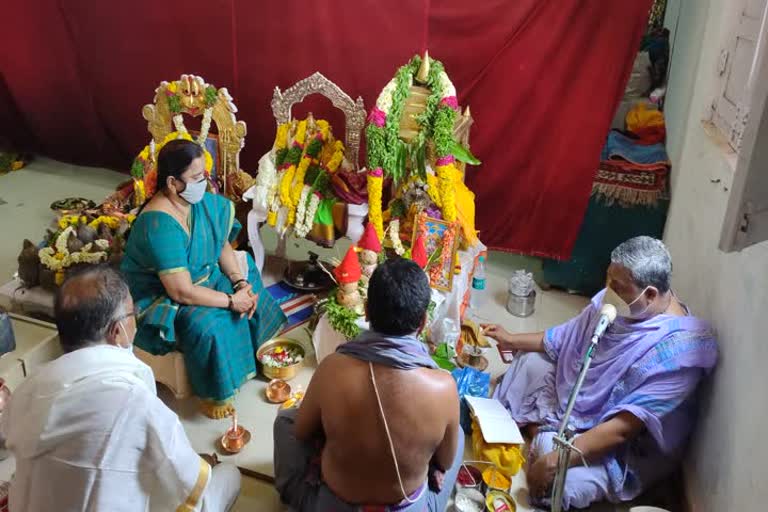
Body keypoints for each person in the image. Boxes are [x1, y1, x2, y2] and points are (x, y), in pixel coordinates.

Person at [484, 236, 718, 510]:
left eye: (617, 286)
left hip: (618, 443)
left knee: (559, 485)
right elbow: (564, 338)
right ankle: (542, 432)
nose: (608, 291)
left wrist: (553, 461)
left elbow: (622, 430)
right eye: (608, 280)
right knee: (530, 363)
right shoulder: (619, 301)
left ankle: (540, 434)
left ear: (651, 294)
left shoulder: (679, 353)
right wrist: (511, 339)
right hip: (576, 399)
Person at [1, 266, 241, 511]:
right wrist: (204, 465)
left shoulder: (29, 388)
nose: (134, 322)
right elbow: (188, 482)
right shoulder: (132, 399)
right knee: (228, 477)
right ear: (117, 332)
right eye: (131, 314)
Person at [273, 258, 464, 511]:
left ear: (366, 310)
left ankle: (295, 497)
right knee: (458, 434)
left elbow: (301, 433)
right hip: (405, 506)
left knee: (286, 420)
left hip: (336, 505)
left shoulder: (332, 369)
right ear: (422, 323)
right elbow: (446, 461)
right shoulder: (444, 388)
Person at [121, 139, 286, 418]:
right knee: (208, 325)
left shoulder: (198, 202)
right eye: (197, 178)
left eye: (205, 175)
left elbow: (219, 242)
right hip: (164, 295)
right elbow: (181, 291)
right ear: (173, 183)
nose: (204, 183)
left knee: (251, 276)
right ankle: (214, 393)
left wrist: (239, 283)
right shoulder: (159, 224)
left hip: (204, 276)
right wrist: (232, 301)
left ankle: (258, 355)